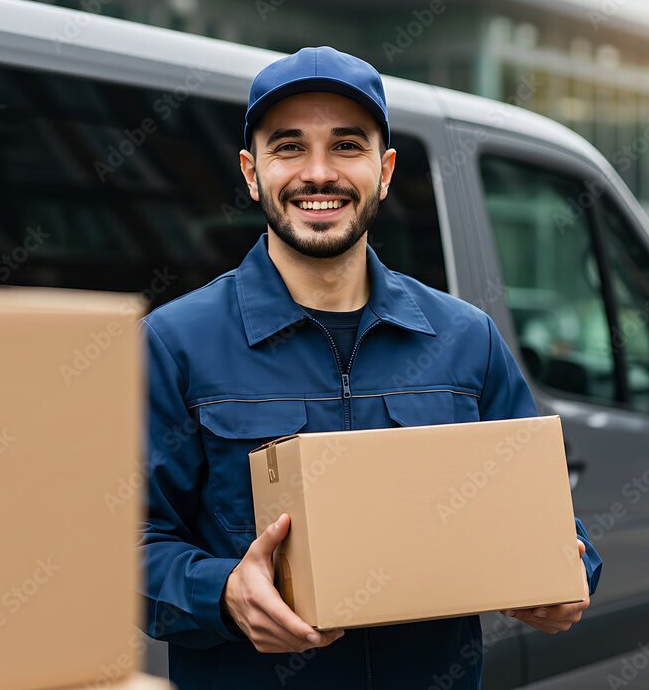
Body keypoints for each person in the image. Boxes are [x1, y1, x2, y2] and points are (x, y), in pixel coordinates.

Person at [139, 46, 602, 689]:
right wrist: (223, 593)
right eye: (289, 147)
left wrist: (570, 573)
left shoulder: (465, 340)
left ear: (385, 171)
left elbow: (547, 521)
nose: (319, 173)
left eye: (347, 145)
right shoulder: (173, 343)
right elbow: (126, 548)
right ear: (252, 172)